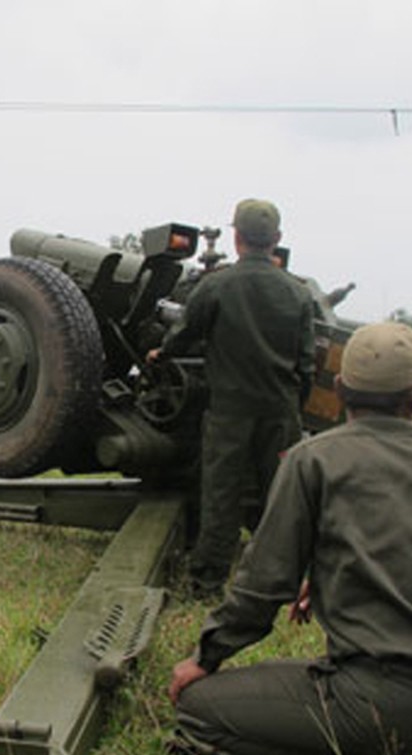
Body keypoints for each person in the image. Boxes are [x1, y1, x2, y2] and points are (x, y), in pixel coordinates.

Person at [168, 322, 412, 755]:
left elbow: (262, 588)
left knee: (200, 707)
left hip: (375, 703)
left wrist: (206, 655)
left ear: (341, 390)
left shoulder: (313, 458)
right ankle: (379, 747)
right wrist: (326, 573)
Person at [150, 198, 315, 597]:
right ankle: (288, 579)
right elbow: (306, 364)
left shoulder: (217, 285)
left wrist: (161, 354)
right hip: (280, 413)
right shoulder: (298, 293)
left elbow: (186, 332)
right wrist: (293, 406)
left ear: (236, 237)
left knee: (222, 499)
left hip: (230, 413)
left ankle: (207, 583)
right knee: (279, 499)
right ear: (276, 239)